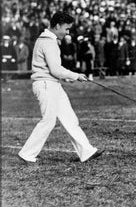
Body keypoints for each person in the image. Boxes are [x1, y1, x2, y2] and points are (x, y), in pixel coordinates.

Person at [18, 11, 104, 163]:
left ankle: (87, 151)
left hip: (52, 84)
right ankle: (27, 153)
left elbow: (54, 70)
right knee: (48, 121)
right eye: (66, 28)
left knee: (69, 118)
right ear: (57, 26)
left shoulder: (47, 40)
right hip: (45, 85)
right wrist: (75, 76)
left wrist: (67, 77)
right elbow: (55, 70)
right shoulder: (48, 42)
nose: (67, 32)